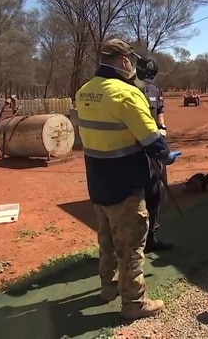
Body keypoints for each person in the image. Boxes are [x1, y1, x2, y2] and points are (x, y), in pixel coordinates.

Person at [75, 38, 182, 320]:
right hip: (125, 181)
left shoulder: (84, 92)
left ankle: (108, 287)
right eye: (131, 61)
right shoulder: (126, 93)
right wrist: (166, 155)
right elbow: (150, 137)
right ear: (124, 61)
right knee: (131, 242)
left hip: (97, 180)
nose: (133, 66)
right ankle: (134, 302)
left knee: (107, 237)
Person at [134, 55, 174, 253]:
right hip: (134, 150)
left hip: (153, 147)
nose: (149, 78)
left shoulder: (154, 89)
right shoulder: (128, 89)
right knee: (136, 197)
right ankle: (136, 243)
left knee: (156, 193)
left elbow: (159, 109)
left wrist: (162, 126)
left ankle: (151, 239)